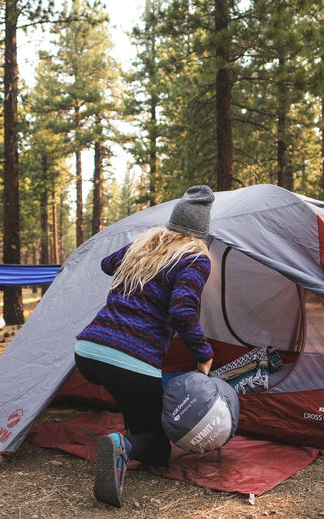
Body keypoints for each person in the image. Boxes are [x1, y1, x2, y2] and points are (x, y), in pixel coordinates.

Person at [74, 185, 216, 508]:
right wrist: (204, 356)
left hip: (88, 351)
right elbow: (181, 311)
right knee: (159, 447)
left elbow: (108, 263)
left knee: (134, 403)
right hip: (131, 359)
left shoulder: (146, 245)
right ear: (203, 233)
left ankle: (124, 438)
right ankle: (122, 445)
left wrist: (147, 245)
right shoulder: (194, 258)